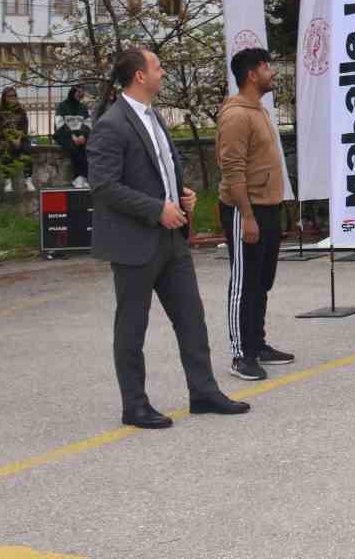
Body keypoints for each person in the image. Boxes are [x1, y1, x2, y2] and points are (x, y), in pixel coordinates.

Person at [88, 45, 248, 428]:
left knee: (191, 317)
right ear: (140, 76)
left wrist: (180, 194)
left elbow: (158, 170)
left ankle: (204, 392)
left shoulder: (153, 116)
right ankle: (135, 405)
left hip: (171, 240)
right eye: (157, 67)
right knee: (132, 327)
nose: (163, 72)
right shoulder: (111, 124)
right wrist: (156, 208)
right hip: (134, 243)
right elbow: (104, 186)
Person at [216, 47, 295, 383]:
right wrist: (246, 215)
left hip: (267, 206)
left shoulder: (257, 109)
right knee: (243, 283)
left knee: (262, 281)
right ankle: (240, 354)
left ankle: (257, 344)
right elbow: (232, 169)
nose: (271, 72)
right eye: (266, 67)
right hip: (245, 209)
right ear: (252, 74)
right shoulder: (236, 115)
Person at [0, 86, 35, 193]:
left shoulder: (21, 111)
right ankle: (8, 181)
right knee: (6, 152)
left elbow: (24, 127)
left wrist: (18, 139)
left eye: (14, 95)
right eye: (9, 96)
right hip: (6, 139)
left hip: (20, 138)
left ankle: (28, 179)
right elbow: (0, 128)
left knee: (27, 150)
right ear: (4, 98)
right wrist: (11, 139)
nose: (12, 98)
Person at [55, 85, 93, 188]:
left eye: (82, 93)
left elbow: (88, 123)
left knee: (85, 149)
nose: (80, 95)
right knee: (74, 149)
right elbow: (59, 124)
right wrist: (72, 136)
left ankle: (81, 177)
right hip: (64, 135)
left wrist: (83, 135)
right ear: (72, 93)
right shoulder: (62, 106)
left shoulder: (83, 107)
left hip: (80, 136)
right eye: (78, 93)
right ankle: (79, 177)